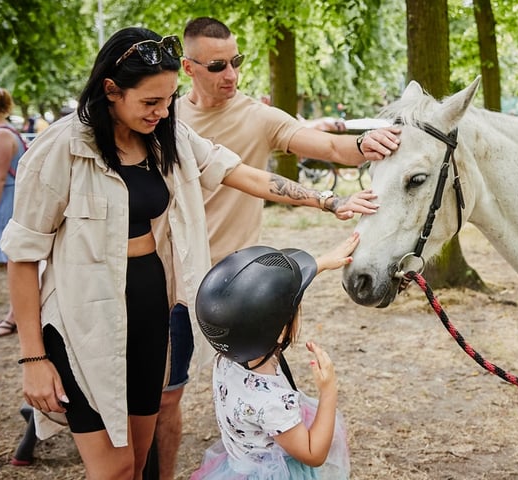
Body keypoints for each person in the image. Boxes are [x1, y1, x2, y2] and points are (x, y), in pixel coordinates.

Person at [0, 26, 377, 479]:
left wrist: (329, 201)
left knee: (139, 461)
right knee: (114, 469)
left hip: (149, 309)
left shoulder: (166, 136)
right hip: (83, 323)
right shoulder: (61, 148)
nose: (162, 112)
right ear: (111, 90)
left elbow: (243, 174)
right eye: (150, 102)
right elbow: (22, 257)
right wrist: (33, 359)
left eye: (168, 100)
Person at [150, 16, 400, 480]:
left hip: (239, 292)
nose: (232, 75)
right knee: (165, 400)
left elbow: (327, 145)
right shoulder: (164, 117)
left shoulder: (257, 116)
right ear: (188, 67)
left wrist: (363, 143)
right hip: (172, 284)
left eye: (237, 62)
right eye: (218, 65)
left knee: (260, 391)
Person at [190, 235, 358, 479]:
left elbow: (258, 303)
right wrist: (328, 390)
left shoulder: (228, 354)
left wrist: (320, 264)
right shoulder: (272, 402)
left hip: (241, 463)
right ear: (279, 332)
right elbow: (313, 453)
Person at [0, 85, 26, 338]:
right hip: (5, 201)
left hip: (4, 203)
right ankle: (15, 315)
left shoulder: (0, 134)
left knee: (13, 265)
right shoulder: (2, 131)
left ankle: (14, 317)